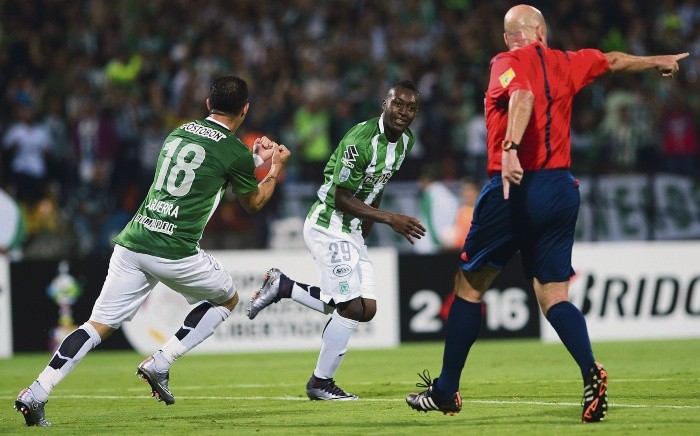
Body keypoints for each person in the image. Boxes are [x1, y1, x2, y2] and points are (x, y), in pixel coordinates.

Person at [405, 4, 688, 423]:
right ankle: (590, 370)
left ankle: (446, 389)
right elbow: (611, 60)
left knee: (469, 285)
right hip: (561, 188)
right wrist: (655, 61)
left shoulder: (505, 62)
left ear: (509, 37)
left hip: (515, 185)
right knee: (554, 295)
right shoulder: (567, 61)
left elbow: (521, 95)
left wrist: (510, 147)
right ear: (541, 31)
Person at [14, 75, 291, 427]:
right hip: (174, 250)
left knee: (96, 325)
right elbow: (252, 203)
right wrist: (274, 167)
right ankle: (161, 361)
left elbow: (205, 169)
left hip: (134, 241)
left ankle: (37, 391)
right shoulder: (233, 151)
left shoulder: (178, 133)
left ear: (208, 103)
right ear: (245, 110)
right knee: (227, 300)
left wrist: (251, 160)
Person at [246, 81, 426, 400]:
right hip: (328, 224)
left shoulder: (406, 141)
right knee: (350, 307)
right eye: (398, 104)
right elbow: (342, 198)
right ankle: (320, 382)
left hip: (352, 230)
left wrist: (364, 230)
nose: (403, 112)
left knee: (366, 309)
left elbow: (378, 185)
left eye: (411, 108)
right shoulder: (360, 140)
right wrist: (389, 218)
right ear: (384, 104)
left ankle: (284, 287)